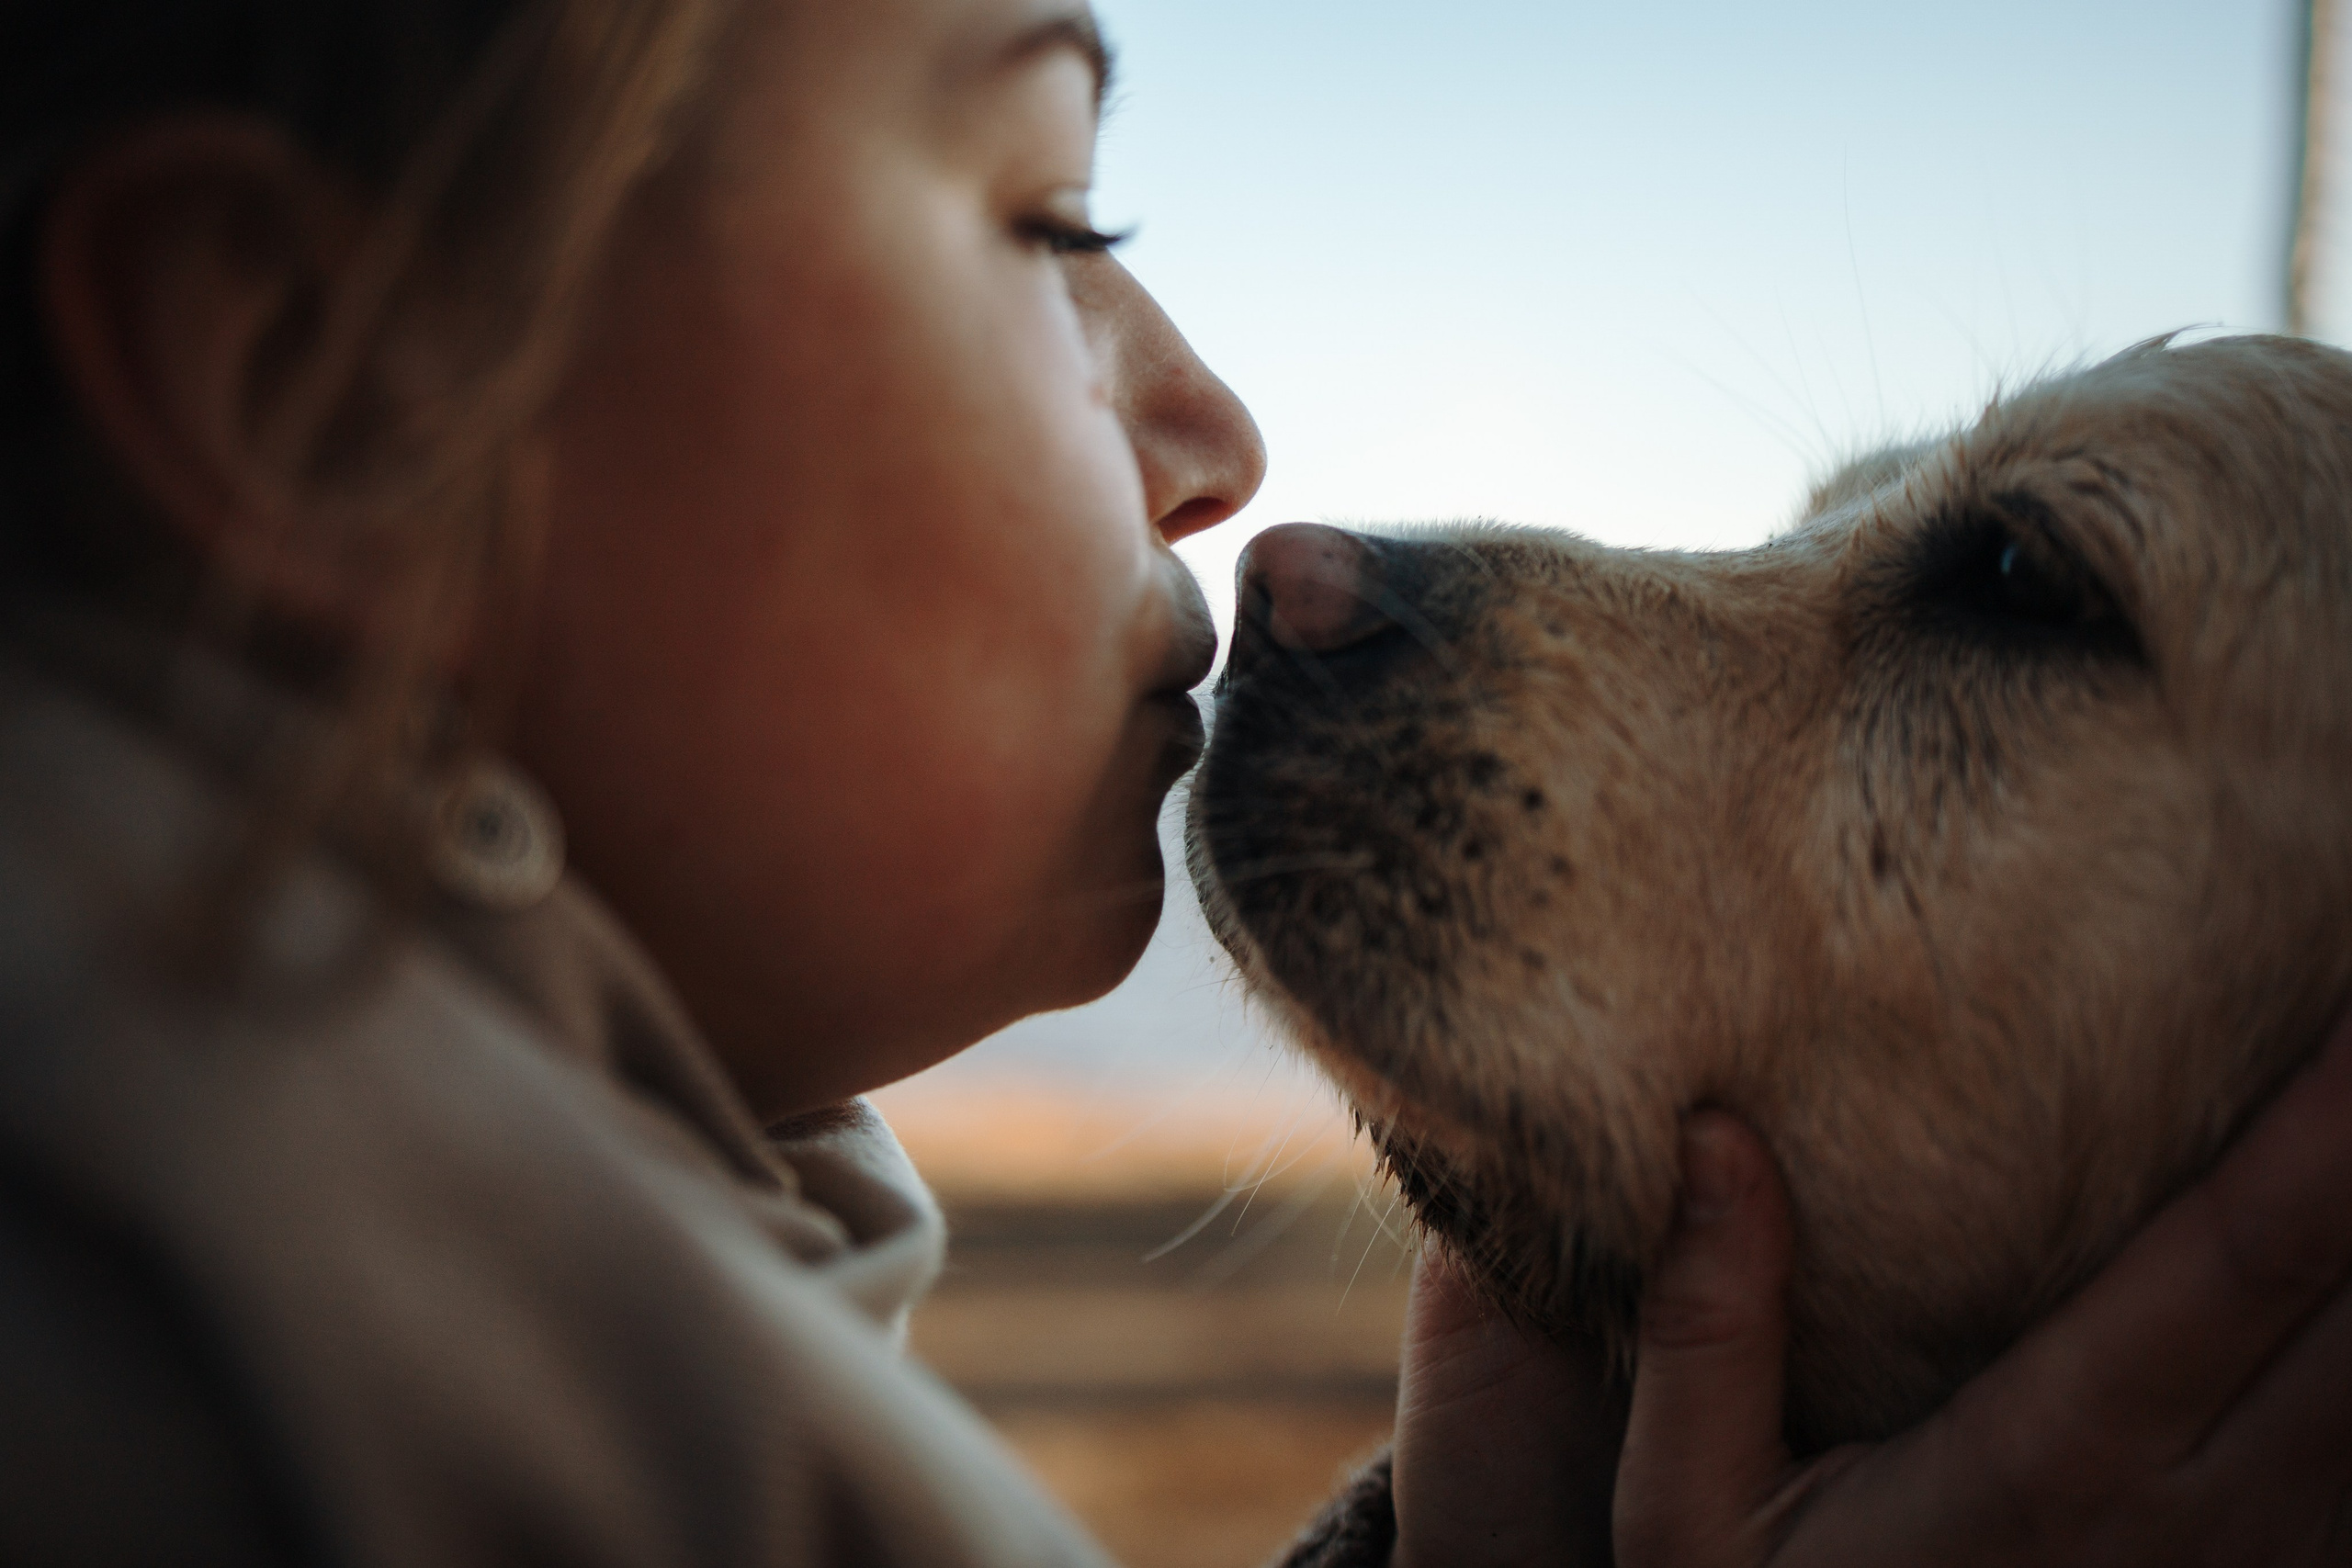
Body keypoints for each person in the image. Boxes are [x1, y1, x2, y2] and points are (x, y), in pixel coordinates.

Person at [0, 0, 2345, 1563]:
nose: (1247, 475)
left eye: (2007, 592)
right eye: (1052, 223)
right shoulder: (235, 1414)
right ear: (324, 394)